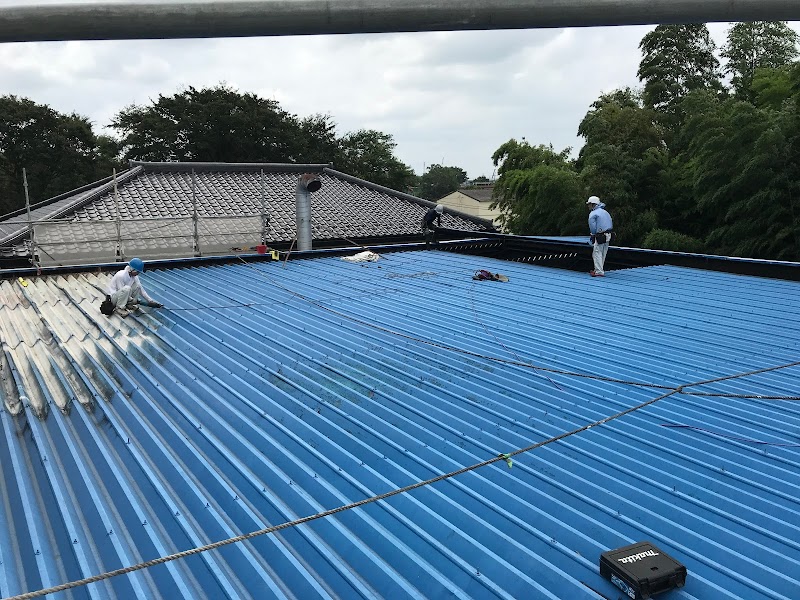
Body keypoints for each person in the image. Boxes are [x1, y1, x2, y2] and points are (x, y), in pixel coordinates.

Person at [586, 195, 613, 277]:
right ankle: (599, 269)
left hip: (600, 236)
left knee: (597, 253)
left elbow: (593, 227)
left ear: (593, 204)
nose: (588, 206)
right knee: (603, 253)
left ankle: (598, 271)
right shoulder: (605, 212)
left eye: (589, 204)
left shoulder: (593, 214)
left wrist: (593, 234)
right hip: (608, 235)